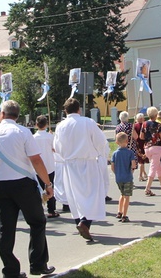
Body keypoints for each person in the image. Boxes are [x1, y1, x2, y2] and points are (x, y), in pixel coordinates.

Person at [0, 100, 55, 278]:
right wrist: (48, 184)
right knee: (37, 222)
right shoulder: (23, 132)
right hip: (23, 184)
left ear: (1, 114)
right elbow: (36, 160)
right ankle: (38, 264)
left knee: (5, 229)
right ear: (17, 115)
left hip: (1, 185)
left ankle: (10, 270)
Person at [53, 98, 109, 242]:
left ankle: (80, 222)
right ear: (79, 109)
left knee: (74, 196)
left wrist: (66, 155)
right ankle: (85, 223)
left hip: (70, 165)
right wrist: (100, 154)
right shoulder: (88, 122)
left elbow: (57, 147)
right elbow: (101, 142)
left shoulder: (61, 126)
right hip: (88, 162)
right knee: (94, 193)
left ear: (65, 111)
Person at [33, 115, 59, 218]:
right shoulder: (50, 136)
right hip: (49, 165)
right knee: (50, 187)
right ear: (46, 125)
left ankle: (38, 209)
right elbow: (55, 148)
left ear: (36, 125)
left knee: (38, 189)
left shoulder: (33, 138)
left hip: (38, 167)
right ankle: (51, 209)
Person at [140, 107, 161, 196]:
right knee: (153, 167)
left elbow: (141, 137)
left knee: (158, 166)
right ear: (156, 115)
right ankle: (147, 188)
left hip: (147, 148)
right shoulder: (158, 125)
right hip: (156, 147)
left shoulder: (144, 124)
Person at [110, 132, 137, 223]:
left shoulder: (115, 153)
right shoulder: (130, 153)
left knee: (122, 194)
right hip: (127, 177)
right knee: (127, 196)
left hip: (119, 178)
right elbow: (133, 164)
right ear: (127, 141)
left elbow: (112, 166)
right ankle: (124, 215)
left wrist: (116, 173)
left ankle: (119, 211)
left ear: (116, 142)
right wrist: (132, 170)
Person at [132, 113, 148, 182]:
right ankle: (140, 175)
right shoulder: (144, 125)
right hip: (143, 143)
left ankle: (144, 173)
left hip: (137, 144)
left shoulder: (134, 126)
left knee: (141, 160)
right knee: (142, 161)